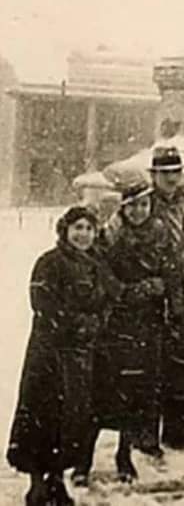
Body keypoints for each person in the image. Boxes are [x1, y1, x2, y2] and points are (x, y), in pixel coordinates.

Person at [72, 169, 184, 486]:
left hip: (147, 327)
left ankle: (124, 453)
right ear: (123, 207)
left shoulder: (162, 235)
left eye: (144, 206)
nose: (138, 212)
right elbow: (101, 273)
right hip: (112, 325)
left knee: (136, 394)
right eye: (132, 206)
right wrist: (129, 291)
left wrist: (172, 309)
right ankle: (83, 458)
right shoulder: (108, 236)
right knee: (100, 392)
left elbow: (173, 275)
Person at [6, 206, 109, 506]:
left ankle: (58, 480)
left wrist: (97, 321)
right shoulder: (49, 263)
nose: (83, 234)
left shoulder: (95, 264)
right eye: (77, 228)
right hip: (48, 354)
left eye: (89, 229)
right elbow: (43, 303)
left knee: (71, 418)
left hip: (78, 357)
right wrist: (77, 324)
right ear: (64, 230)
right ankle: (37, 484)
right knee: (42, 416)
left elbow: (107, 299)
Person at [147, 146, 184, 452]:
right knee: (154, 365)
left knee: (182, 363)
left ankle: (180, 430)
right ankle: (147, 436)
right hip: (156, 294)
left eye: (176, 172)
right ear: (154, 176)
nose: (171, 178)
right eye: (165, 173)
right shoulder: (144, 205)